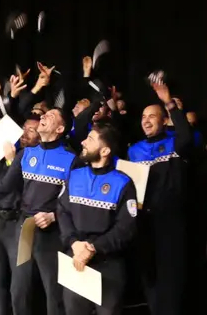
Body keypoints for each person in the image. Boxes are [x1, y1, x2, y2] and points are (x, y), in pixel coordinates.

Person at [0, 107, 76, 315]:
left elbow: (72, 199)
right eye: (45, 114)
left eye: (50, 116)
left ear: (60, 128)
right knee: (19, 290)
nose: (44, 116)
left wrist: (53, 214)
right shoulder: (26, 154)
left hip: (51, 232)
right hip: (23, 229)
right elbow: (4, 186)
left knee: (54, 293)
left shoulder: (71, 159)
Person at [127, 80, 193, 315]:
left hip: (171, 223)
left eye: (152, 116)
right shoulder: (133, 151)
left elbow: (186, 137)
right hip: (144, 223)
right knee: (149, 280)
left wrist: (169, 104)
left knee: (171, 282)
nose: (146, 120)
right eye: (143, 117)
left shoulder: (175, 143)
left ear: (164, 120)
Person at [58, 123, 138, 314]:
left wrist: (94, 248)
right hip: (76, 260)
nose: (83, 142)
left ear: (105, 150)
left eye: (90, 139)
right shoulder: (75, 176)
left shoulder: (124, 183)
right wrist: (74, 243)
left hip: (108, 266)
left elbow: (126, 229)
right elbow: (62, 211)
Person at [0, 114, 40, 315]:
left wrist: (11, 161)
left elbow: (18, 187)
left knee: (20, 284)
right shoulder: (7, 150)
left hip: (17, 222)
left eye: (32, 130)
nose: (25, 133)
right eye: (24, 128)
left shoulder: (35, 158)